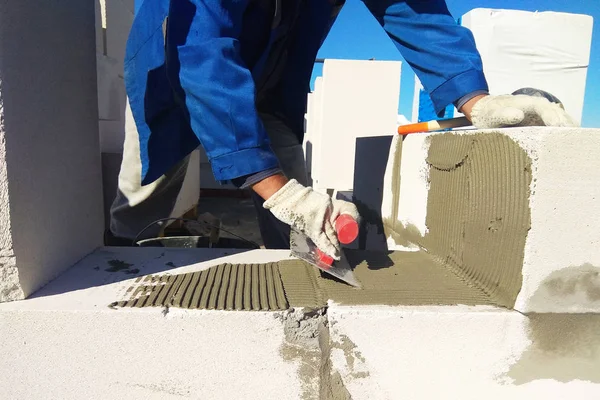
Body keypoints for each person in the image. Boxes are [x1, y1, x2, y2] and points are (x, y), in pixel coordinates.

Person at [105, 0, 576, 260]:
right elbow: (201, 52)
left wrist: (475, 99)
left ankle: (294, 267)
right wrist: (272, 187)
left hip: (269, 76)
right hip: (172, 61)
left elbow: (413, 10)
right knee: (147, 187)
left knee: (292, 199)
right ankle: (122, 256)